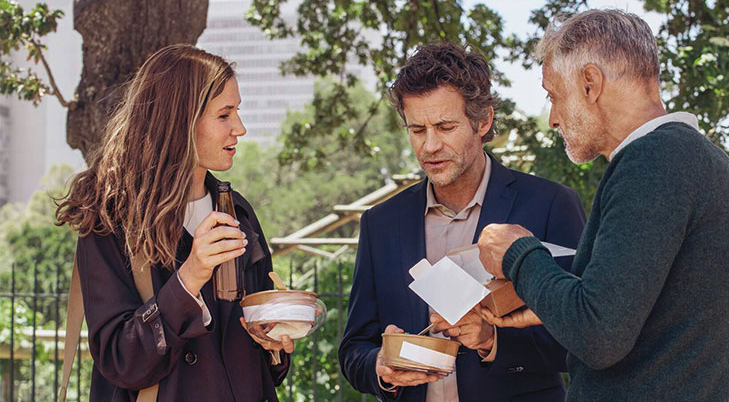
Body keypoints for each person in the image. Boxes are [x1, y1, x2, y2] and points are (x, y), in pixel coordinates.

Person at [476, 9, 729, 401]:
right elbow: (641, 326)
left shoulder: (655, 162)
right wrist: (551, 302)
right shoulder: (693, 160)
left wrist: (519, 254)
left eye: (554, 96)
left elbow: (600, 335)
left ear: (590, 83)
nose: (552, 119)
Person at [338, 42, 586, 402]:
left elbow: (581, 341)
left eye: (445, 126)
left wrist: (491, 339)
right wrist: (380, 365)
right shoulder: (380, 224)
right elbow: (353, 350)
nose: (430, 146)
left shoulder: (550, 205)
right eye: (417, 130)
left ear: (483, 121)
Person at [55, 44, 293, 402]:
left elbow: (263, 366)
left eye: (237, 112)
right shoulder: (110, 220)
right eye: (224, 115)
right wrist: (189, 278)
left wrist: (273, 338)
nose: (240, 128)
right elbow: (120, 360)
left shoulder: (237, 212)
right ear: (181, 119)